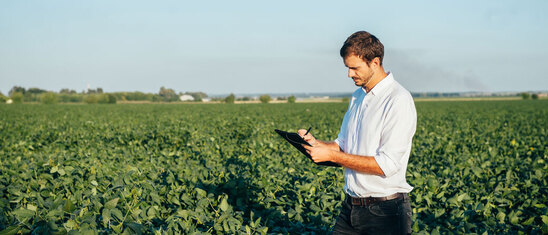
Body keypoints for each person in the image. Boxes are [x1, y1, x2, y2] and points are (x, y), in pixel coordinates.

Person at [299, 31, 416, 234]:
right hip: (351, 208)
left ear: (375, 62)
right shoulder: (357, 97)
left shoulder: (398, 100)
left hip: (386, 212)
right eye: (347, 67)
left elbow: (387, 165)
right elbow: (343, 145)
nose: (349, 74)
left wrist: (333, 155)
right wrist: (318, 145)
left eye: (355, 68)